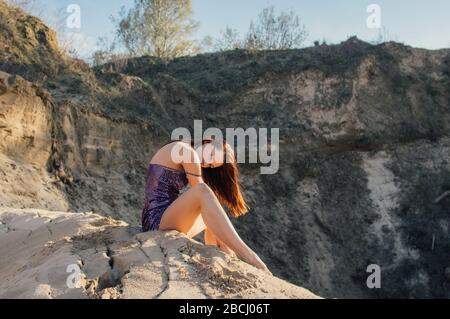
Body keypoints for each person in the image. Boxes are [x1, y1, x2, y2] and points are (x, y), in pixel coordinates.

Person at [142, 139, 270, 272]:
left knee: (212, 214)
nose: (206, 163)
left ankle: (225, 255)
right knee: (204, 193)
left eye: (210, 165)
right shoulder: (186, 151)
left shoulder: (186, 150)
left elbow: (209, 206)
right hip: (156, 221)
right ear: (209, 142)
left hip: (163, 220)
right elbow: (201, 191)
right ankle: (249, 256)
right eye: (211, 156)